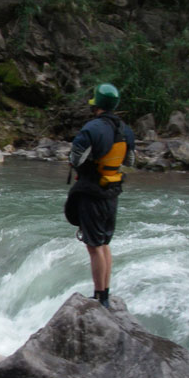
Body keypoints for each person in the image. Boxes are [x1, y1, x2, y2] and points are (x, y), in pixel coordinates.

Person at [65, 83, 135, 309]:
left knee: (94, 247)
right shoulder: (125, 130)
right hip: (112, 193)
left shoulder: (92, 128)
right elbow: (130, 161)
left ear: (96, 104)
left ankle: (100, 297)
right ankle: (105, 293)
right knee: (104, 243)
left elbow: (75, 159)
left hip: (92, 193)